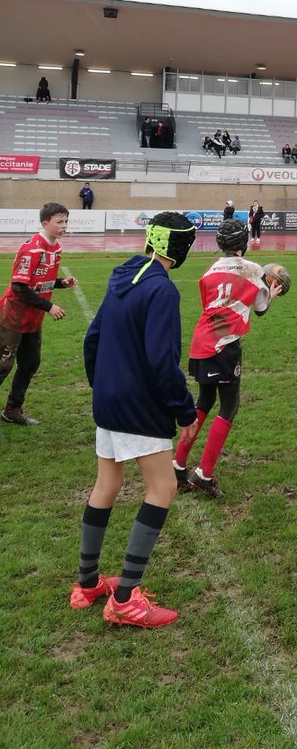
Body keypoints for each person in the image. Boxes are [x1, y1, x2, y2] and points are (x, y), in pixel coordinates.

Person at [70, 212, 198, 628]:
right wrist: (184, 410)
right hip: (138, 404)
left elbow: (94, 338)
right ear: (177, 247)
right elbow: (163, 362)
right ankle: (125, 598)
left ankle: (88, 583)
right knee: (163, 487)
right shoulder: (162, 290)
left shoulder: (121, 274)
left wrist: (104, 385)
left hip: (108, 399)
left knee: (107, 483)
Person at [174, 219, 286, 500]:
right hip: (224, 345)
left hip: (201, 340)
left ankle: (177, 465)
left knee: (204, 402)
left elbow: (211, 304)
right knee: (229, 406)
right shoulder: (252, 269)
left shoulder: (210, 269)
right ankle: (204, 473)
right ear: (244, 242)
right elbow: (260, 309)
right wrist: (270, 294)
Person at [0, 202, 78, 426]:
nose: (64, 226)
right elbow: (19, 287)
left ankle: (12, 410)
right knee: (3, 366)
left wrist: (61, 283)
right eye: (59, 222)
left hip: (32, 319)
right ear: (45, 223)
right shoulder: (32, 248)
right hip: (12, 317)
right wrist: (49, 307)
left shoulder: (56, 248)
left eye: (66, 221)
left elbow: (39, 282)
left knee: (30, 364)